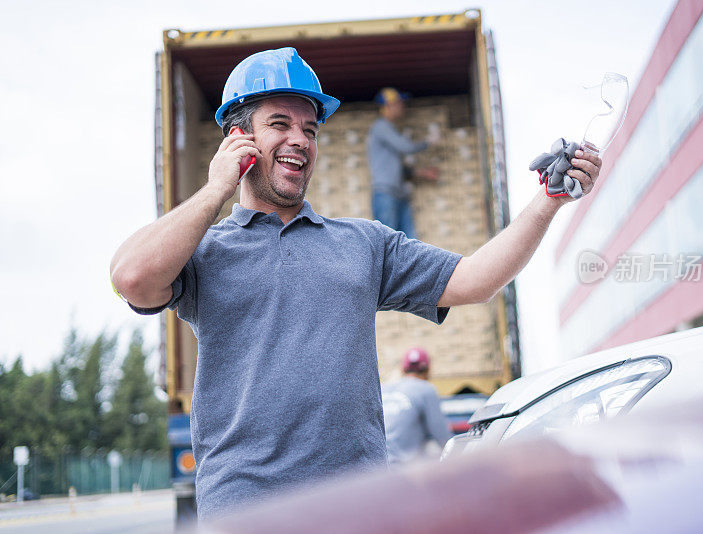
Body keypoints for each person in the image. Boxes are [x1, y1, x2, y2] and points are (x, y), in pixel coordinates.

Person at [109, 47, 601, 520]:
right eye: (279, 124)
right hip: (248, 510)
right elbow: (132, 278)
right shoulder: (206, 252)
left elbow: (475, 280)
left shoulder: (364, 244)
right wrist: (216, 187)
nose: (300, 139)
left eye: (310, 129)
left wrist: (548, 201)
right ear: (238, 139)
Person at [367, 87, 438, 239]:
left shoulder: (390, 129)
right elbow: (405, 147)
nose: (402, 107)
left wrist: (422, 173)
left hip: (398, 193)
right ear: (388, 106)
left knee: (408, 244)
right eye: (399, 103)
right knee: (388, 242)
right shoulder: (381, 127)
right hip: (386, 194)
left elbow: (397, 168)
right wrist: (428, 142)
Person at [382, 348, 453, 466]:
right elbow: (442, 436)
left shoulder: (384, 388)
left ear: (402, 369)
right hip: (400, 469)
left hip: (375, 466)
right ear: (428, 370)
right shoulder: (426, 389)